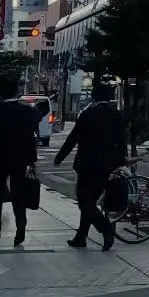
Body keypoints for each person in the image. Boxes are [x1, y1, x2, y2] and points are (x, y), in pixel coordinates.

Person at [54, 82, 127, 250]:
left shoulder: (89, 114)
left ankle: (105, 229)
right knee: (91, 201)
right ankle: (81, 237)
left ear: (94, 96)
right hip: (107, 165)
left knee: (84, 202)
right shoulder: (117, 115)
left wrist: (60, 157)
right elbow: (122, 141)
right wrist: (120, 161)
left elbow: (73, 138)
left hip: (87, 164)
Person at [0, 92, 38, 246]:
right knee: (18, 194)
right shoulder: (26, 111)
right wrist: (32, 160)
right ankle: (21, 225)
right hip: (19, 159)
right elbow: (29, 136)